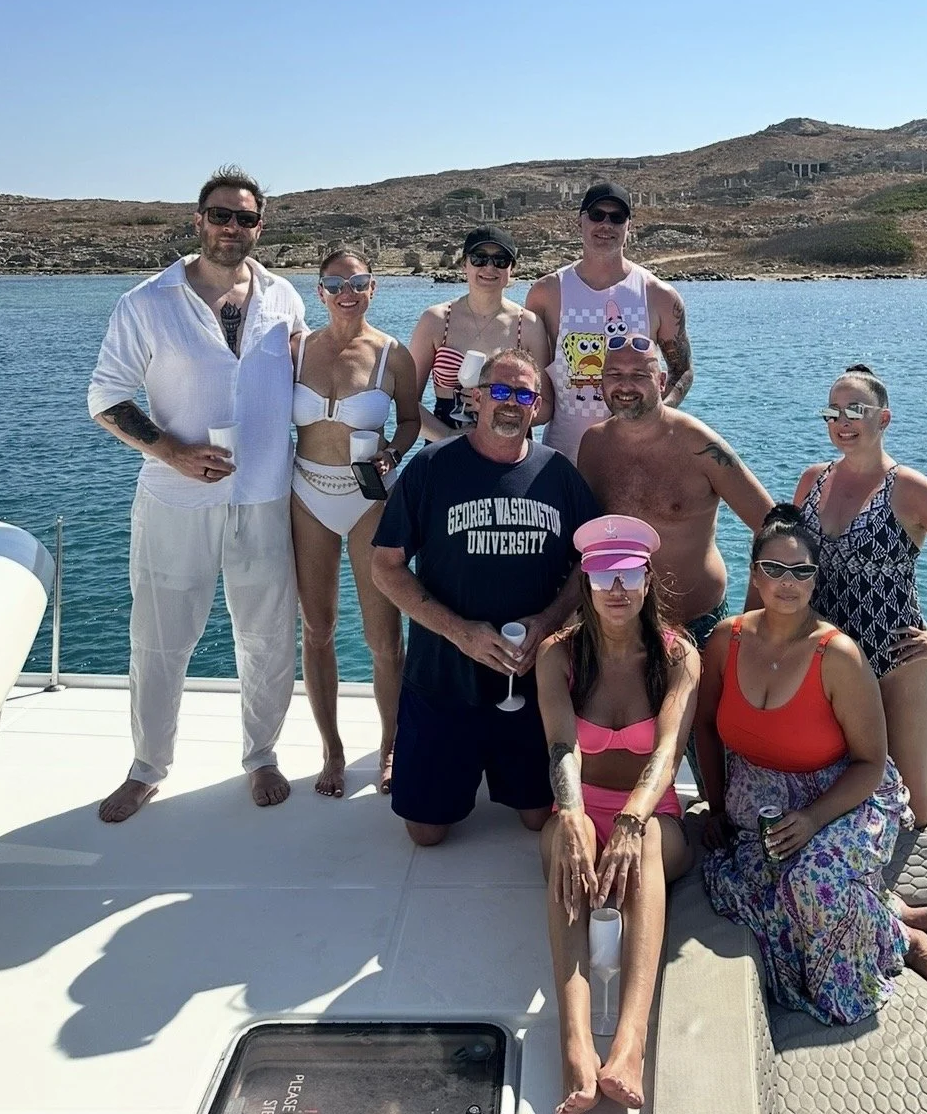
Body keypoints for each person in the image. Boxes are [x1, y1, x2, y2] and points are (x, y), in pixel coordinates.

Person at [86, 166, 306, 822]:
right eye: (219, 215)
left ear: (259, 226)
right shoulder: (147, 302)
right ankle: (147, 767)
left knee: (267, 637)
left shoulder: (284, 299)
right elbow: (105, 396)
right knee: (159, 637)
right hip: (174, 500)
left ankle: (261, 754)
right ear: (198, 219)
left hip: (264, 495)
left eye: (243, 218)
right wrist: (169, 449)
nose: (230, 228)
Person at [697, 505, 927, 1025]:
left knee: (811, 879)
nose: (787, 582)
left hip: (844, 795)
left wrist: (814, 819)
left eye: (801, 571)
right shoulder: (725, 642)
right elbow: (706, 727)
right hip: (760, 802)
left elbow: (871, 763)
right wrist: (713, 806)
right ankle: (890, 911)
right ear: (754, 572)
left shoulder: (837, 655)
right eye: (774, 568)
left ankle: (904, 942)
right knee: (762, 891)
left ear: (816, 578)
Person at [371, 350, 600, 846]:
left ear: (537, 407)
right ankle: (453, 769)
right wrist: (458, 631)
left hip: (530, 674)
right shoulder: (431, 468)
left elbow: (591, 558)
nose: (511, 403)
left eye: (523, 395)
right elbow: (385, 567)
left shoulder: (558, 474)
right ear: (475, 397)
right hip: (443, 674)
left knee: (540, 817)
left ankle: (497, 769)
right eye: (499, 391)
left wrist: (550, 620)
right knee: (426, 834)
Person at [793, 364, 927, 826]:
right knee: (829, 784)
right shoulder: (812, 480)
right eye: (832, 412)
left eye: (856, 409)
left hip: (896, 658)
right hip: (825, 656)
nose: (843, 421)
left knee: (915, 809)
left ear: (884, 419)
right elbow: (783, 560)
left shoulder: (908, 489)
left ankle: (926, 760)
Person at [538, 515, 699, 1114]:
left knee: (651, 841)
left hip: (650, 810)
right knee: (561, 846)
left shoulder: (679, 655)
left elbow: (667, 752)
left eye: (629, 573)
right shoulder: (558, 655)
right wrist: (574, 815)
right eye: (603, 574)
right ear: (586, 579)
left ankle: (629, 1042)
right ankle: (576, 1044)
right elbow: (561, 746)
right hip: (579, 804)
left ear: (648, 576)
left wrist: (631, 821)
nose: (617, 587)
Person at [291, 247, 420, 799]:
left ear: (374, 288)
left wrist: (392, 451)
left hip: (372, 500)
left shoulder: (394, 355)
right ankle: (333, 750)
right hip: (306, 494)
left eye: (359, 281)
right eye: (336, 282)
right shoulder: (294, 349)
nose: (348, 291)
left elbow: (412, 420)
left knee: (383, 639)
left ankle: (390, 747)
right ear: (319, 290)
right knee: (317, 631)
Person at [577, 334, 774, 645]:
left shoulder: (700, 445)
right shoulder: (593, 445)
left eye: (639, 375)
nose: (625, 386)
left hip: (697, 624)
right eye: (614, 375)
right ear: (601, 382)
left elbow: (771, 526)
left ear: (662, 381)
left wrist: (752, 618)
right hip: (619, 628)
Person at [526, 181, 694, 464]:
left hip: (635, 459)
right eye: (597, 215)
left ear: (629, 227)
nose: (606, 224)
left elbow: (683, 370)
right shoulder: (546, 293)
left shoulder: (659, 296)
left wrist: (653, 417)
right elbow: (529, 375)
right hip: (561, 460)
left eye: (617, 217)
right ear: (580, 221)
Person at [408, 227, 551, 442]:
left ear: (511, 268)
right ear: (464, 263)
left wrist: (498, 407)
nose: (489, 267)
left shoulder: (529, 325)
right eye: (479, 258)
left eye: (500, 260)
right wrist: (447, 436)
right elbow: (407, 401)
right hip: (445, 448)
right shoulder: (435, 320)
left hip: (509, 448)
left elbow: (546, 406)